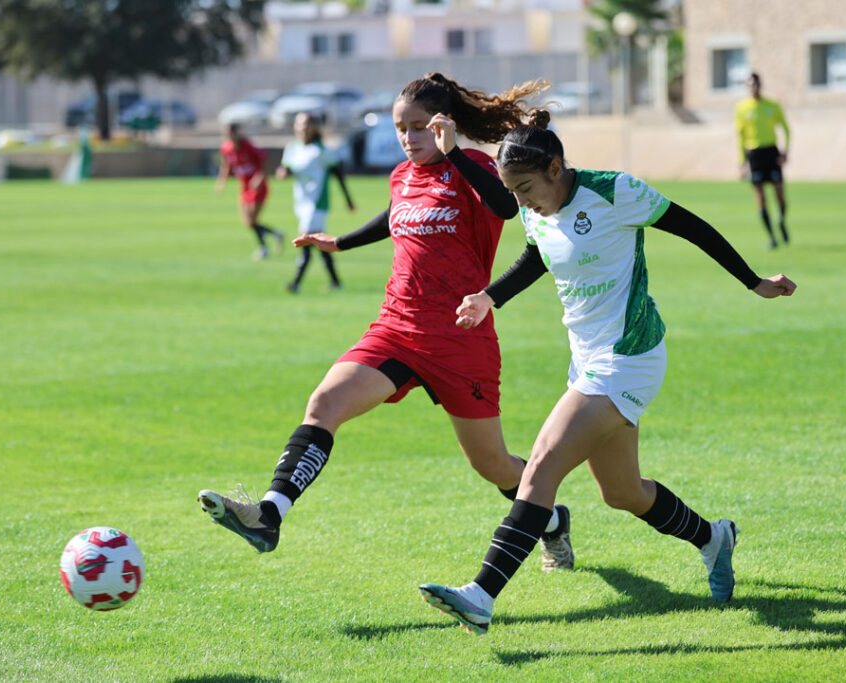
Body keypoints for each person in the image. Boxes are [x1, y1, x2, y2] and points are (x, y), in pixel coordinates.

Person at [418, 110, 797, 635]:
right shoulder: (535, 208)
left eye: (526, 188)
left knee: (542, 464)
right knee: (621, 492)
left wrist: (752, 281)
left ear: (556, 168)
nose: (522, 201)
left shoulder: (615, 193)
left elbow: (692, 227)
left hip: (631, 356)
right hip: (586, 361)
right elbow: (536, 256)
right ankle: (714, 538)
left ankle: (481, 594)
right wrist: (489, 297)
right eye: (514, 191)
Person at [198, 73, 576, 573]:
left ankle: (551, 523)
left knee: (492, 464)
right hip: (396, 328)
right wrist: (340, 243)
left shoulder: (478, 167)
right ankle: (269, 514)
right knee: (324, 404)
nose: (409, 138)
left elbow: (506, 206)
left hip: (460, 339)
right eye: (402, 128)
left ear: (445, 125)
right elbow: (394, 214)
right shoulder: (402, 175)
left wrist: (455, 153)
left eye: (420, 127)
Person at [277, 112, 355, 293]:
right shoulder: (292, 148)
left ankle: (295, 283)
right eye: (299, 125)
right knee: (318, 243)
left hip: (317, 203)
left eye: (306, 125)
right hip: (301, 203)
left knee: (305, 240)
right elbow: (288, 168)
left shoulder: (322, 151)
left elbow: (338, 174)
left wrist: (348, 200)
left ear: (314, 128)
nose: (302, 129)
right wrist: (283, 173)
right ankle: (336, 282)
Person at [735, 73, 790, 249]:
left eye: (756, 84)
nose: (753, 87)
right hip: (754, 154)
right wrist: (742, 161)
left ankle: (781, 220)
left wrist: (785, 151)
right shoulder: (742, 108)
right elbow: (740, 136)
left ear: (760, 85)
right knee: (760, 198)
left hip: (771, 152)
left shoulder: (772, 105)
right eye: (750, 85)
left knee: (780, 195)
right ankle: (772, 237)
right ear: (747, 86)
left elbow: (786, 129)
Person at [216, 122, 284, 260]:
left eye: (231, 132)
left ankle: (264, 248)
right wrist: (222, 182)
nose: (228, 136)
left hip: (258, 187)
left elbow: (265, 160)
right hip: (245, 187)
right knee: (248, 222)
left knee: (252, 219)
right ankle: (275, 234)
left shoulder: (248, 146)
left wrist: (259, 177)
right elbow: (226, 166)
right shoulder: (226, 148)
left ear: (236, 132)